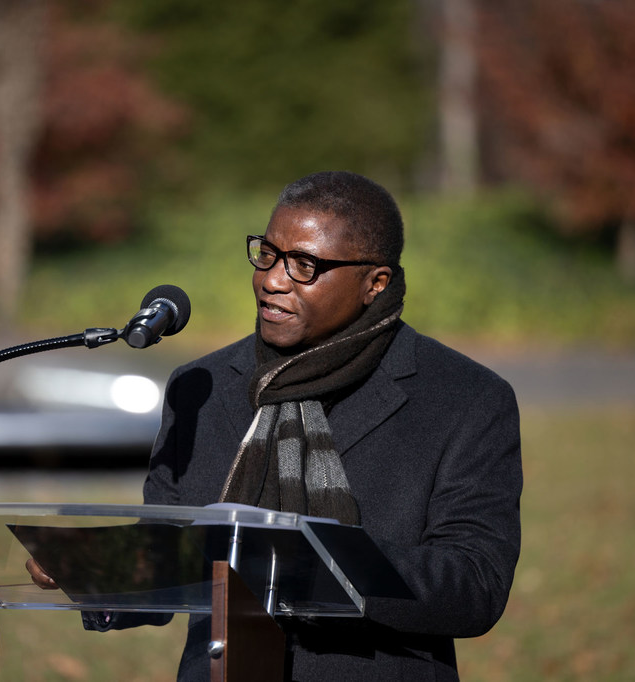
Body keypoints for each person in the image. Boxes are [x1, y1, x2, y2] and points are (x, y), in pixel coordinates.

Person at [30, 170, 522, 680]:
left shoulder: (465, 398)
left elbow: (475, 586)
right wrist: (100, 570)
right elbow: (175, 554)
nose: (272, 279)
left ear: (374, 283)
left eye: (304, 265)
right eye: (267, 254)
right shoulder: (203, 385)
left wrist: (311, 558)